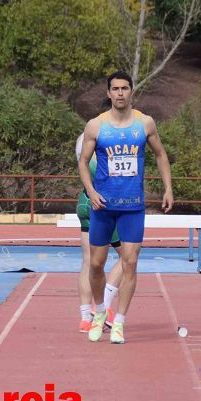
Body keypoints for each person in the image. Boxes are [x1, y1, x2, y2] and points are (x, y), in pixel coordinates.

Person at [79, 71, 173, 344]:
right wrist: (91, 192)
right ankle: (98, 312)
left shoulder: (145, 124)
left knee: (130, 262)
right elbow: (83, 162)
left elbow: (160, 154)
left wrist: (168, 188)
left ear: (132, 91)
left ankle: (118, 321)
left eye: (124, 88)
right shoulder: (96, 126)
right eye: (115, 89)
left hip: (133, 206)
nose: (120, 93)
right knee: (96, 264)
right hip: (103, 206)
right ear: (108, 93)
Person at [75, 134, 124, 333]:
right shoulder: (109, 138)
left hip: (85, 200)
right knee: (128, 257)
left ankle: (85, 319)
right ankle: (103, 305)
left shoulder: (83, 137)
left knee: (88, 261)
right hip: (104, 203)